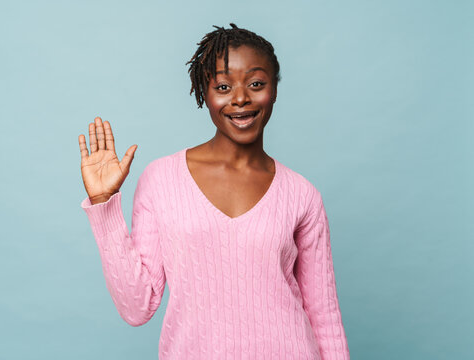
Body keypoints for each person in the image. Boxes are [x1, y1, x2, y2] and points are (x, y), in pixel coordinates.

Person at [78, 23, 350, 360]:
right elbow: (137, 307)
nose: (240, 98)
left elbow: (324, 319)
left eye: (255, 83)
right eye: (223, 86)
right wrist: (104, 204)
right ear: (203, 92)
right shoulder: (161, 180)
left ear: (274, 89)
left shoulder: (302, 195)